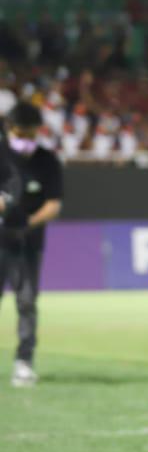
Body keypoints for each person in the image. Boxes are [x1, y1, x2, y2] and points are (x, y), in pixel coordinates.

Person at [1, 102, 63, 387]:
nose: (26, 139)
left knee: (26, 301)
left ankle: (24, 361)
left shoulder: (47, 160)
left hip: (28, 242)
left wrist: (28, 222)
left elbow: (53, 204)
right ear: (9, 128)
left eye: (31, 133)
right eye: (21, 132)